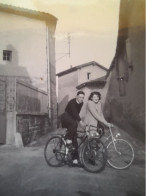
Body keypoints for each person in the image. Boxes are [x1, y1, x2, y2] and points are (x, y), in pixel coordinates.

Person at [61, 91, 85, 164]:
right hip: (65, 117)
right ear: (77, 96)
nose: (81, 99)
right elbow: (74, 113)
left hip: (71, 119)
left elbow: (77, 113)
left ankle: (75, 158)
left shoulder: (81, 103)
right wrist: (80, 122)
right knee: (74, 124)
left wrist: (77, 122)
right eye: (80, 97)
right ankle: (68, 140)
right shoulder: (72, 102)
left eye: (83, 98)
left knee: (74, 138)